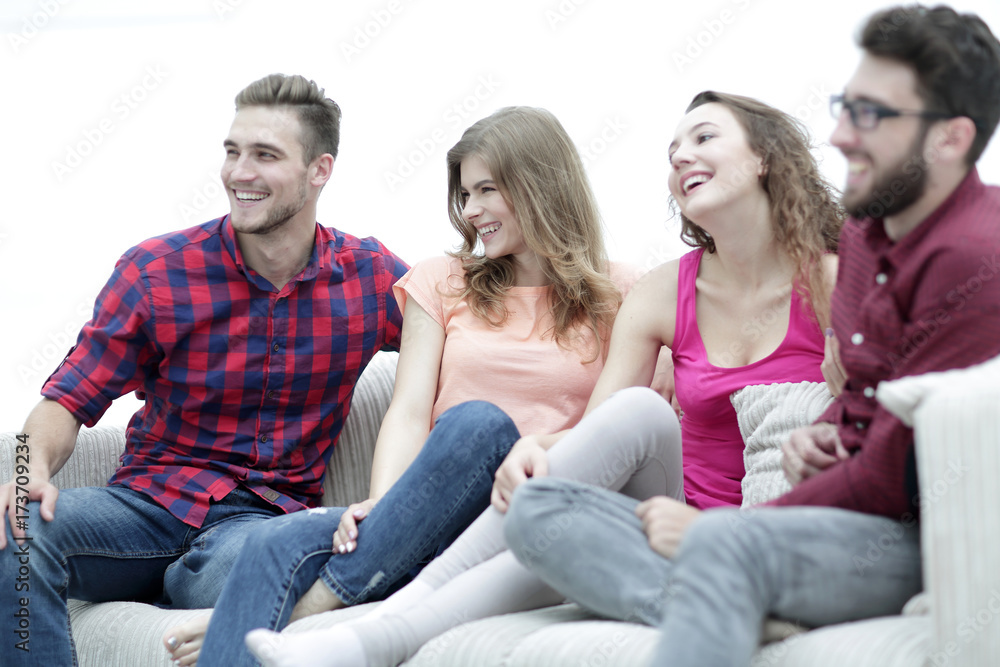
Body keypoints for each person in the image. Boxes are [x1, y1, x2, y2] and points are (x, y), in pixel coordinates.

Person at [243, 89, 844, 667]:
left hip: (720, 526)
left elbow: (876, 419)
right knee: (584, 437)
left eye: (704, 137)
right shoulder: (665, 291)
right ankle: (359, 622)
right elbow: (596, 422)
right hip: (594, 511)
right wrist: (520, 457)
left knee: (587, 458)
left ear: (764, 156)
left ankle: (372, 629)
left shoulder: (829, 284)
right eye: (672, 151)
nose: (681, 156)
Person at [513, 6, 1000, 667]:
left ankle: (727, 578)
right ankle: (744, 605)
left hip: (912, 540)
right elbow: (869, 404)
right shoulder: (862, 235)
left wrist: (724, 530)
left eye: (872, 115)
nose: (842, 135)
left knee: (725, 547)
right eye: (845, 106)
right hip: (829, 524)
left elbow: (890, 478)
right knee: (539, 510)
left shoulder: (972, 255)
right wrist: (829, 428)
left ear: (949, 138)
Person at [158, 105, 643, 667]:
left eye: (487, 190)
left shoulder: (624, 293)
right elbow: (409, 411)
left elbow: (619, 430)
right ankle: (349, 585)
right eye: (465, 194)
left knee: (477, 424)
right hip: (429, 513)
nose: (472, 210)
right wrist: (382, 506)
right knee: (272, 541)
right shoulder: (442, 280)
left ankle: (313, 609)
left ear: (540, 185)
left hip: (534, 510)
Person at [0, 73, 409, 667]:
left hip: (255, 529)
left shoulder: (369, 278)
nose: (239, 172)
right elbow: (64, 401)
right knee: (20, 527)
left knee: (279, 561)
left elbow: (463, 341)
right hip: (143, 509)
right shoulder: (155, 272)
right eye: (232, 151)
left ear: (319, 170)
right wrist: (23, 472)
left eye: (265, 155)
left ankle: (193, 594)